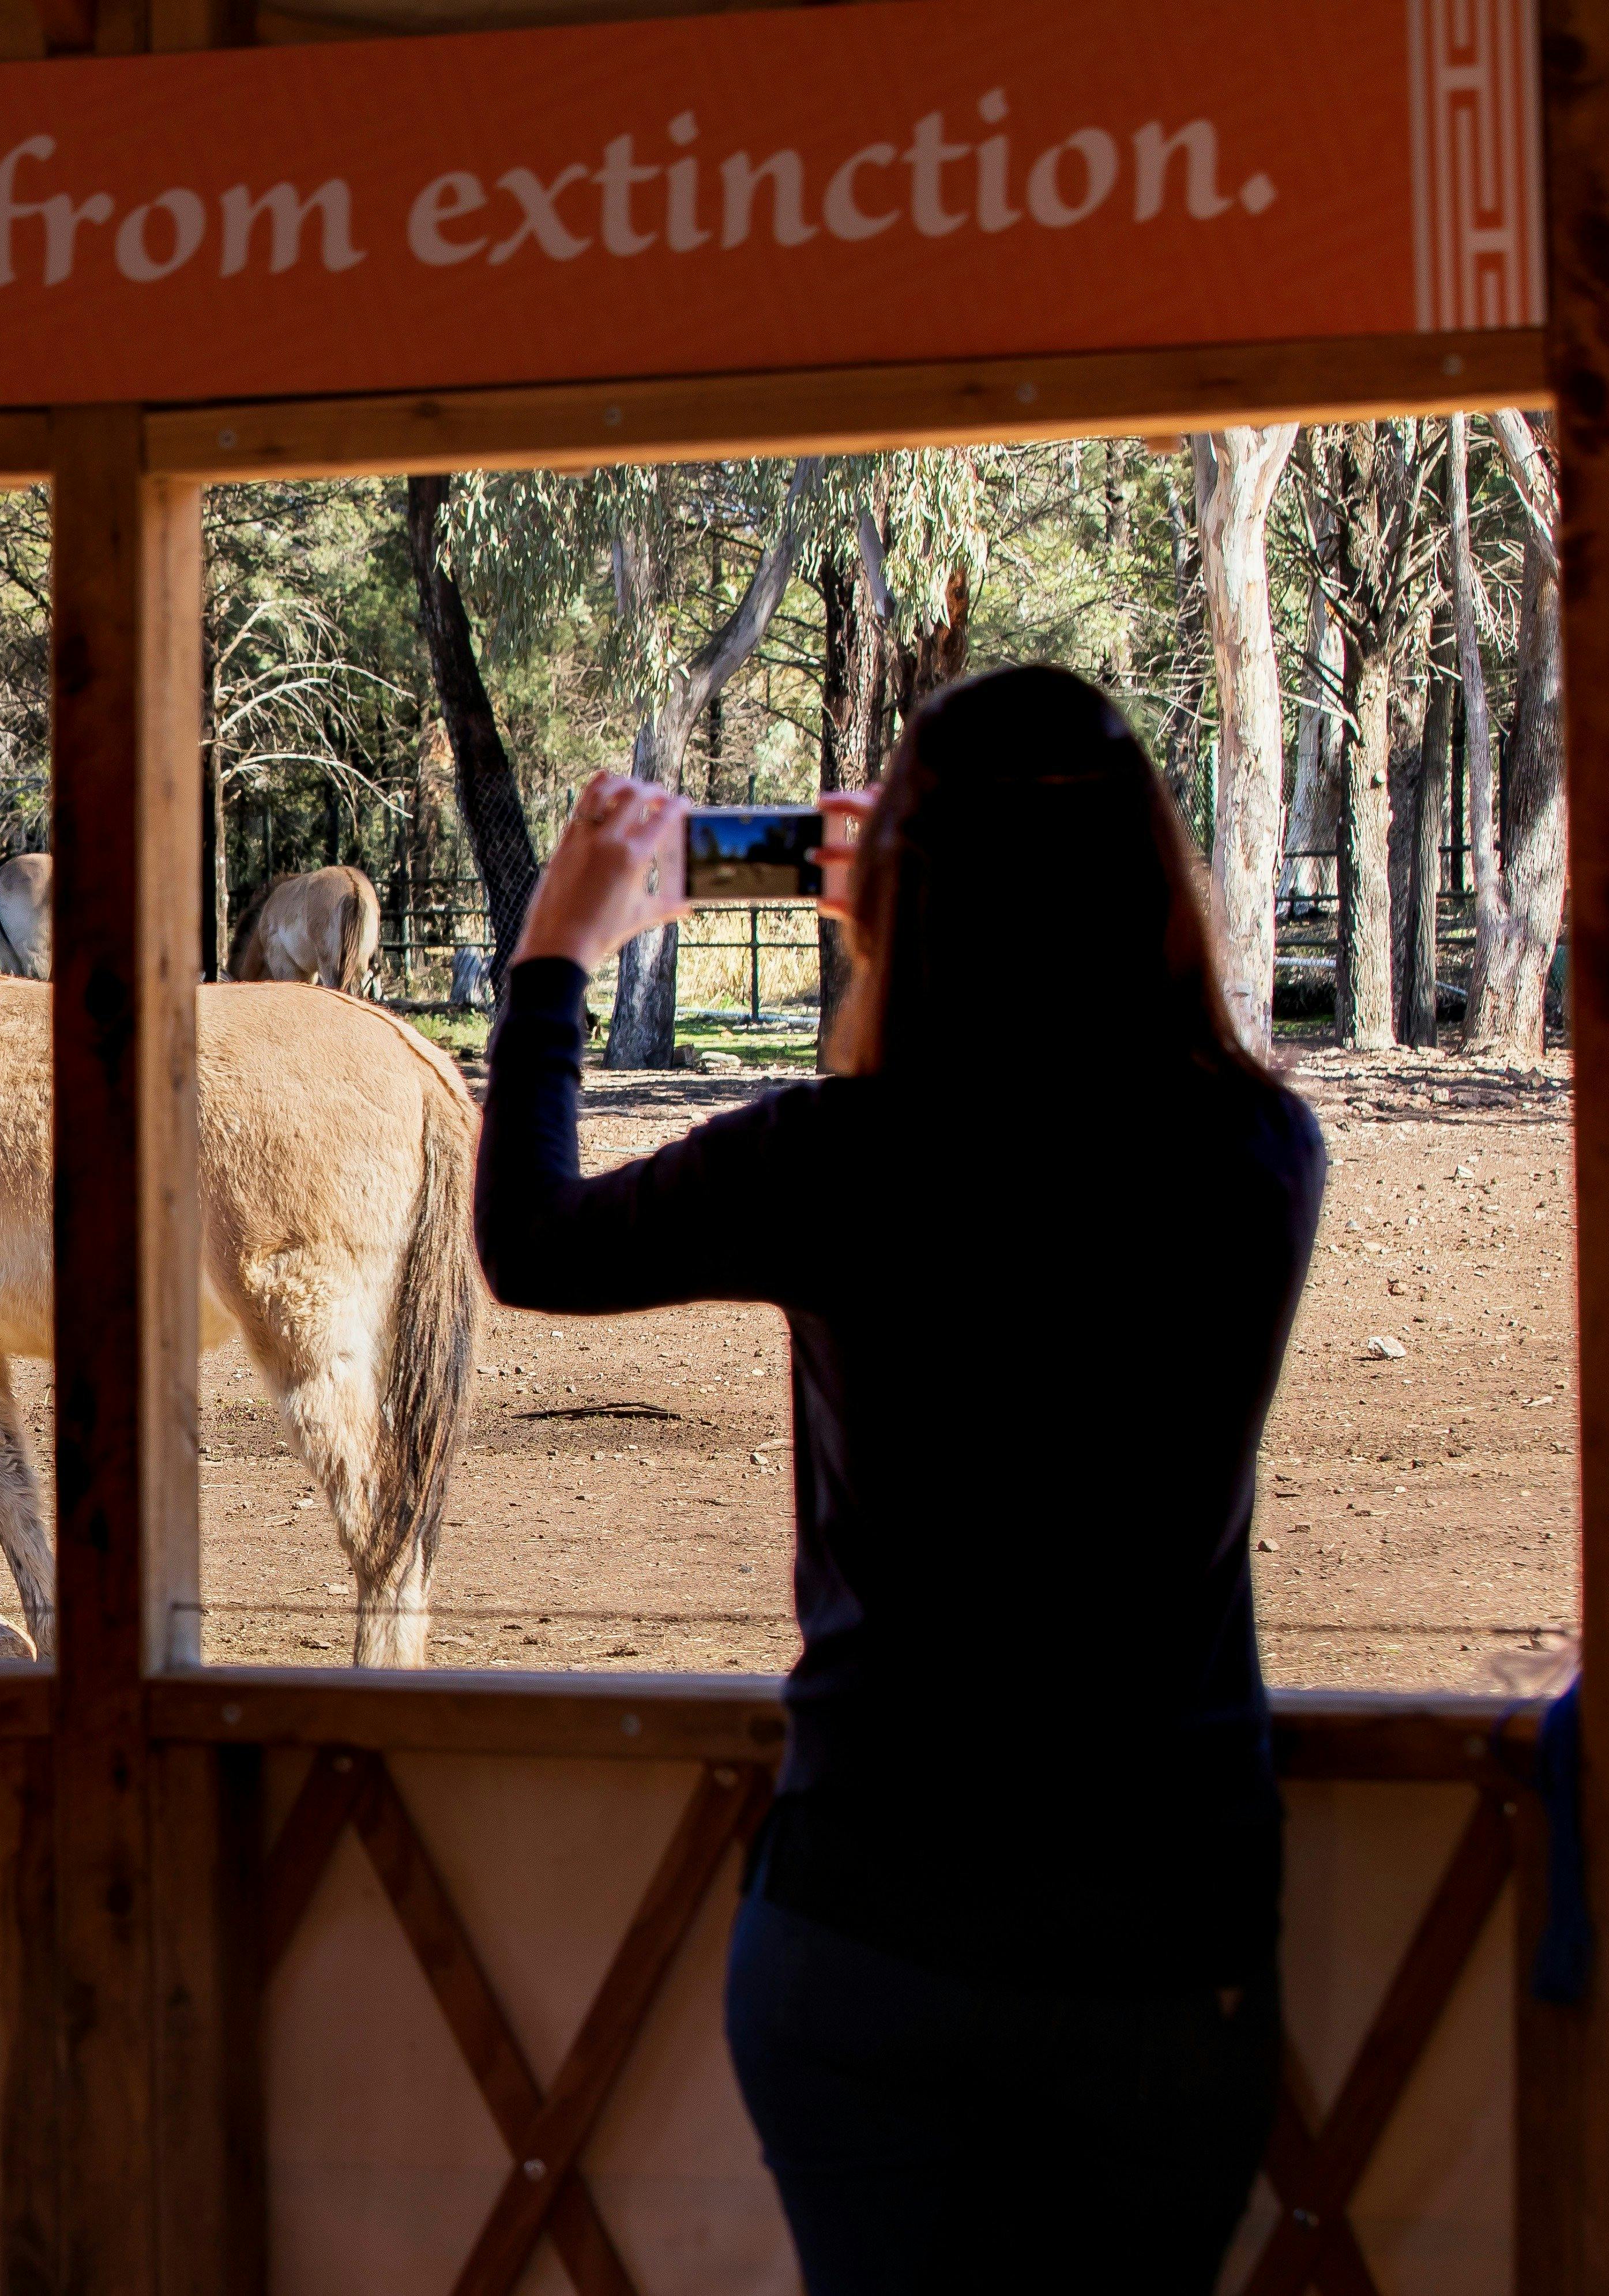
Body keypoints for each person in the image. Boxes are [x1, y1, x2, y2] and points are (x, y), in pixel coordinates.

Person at [473, 666, 1321, 2294]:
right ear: (1151, 867)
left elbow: (533, 1243)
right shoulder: (1259, 1160)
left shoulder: (831, 1164)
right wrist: (920, 913)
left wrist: (554, 961)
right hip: (1160, 1933)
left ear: (901, 892)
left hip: (868, 1921)